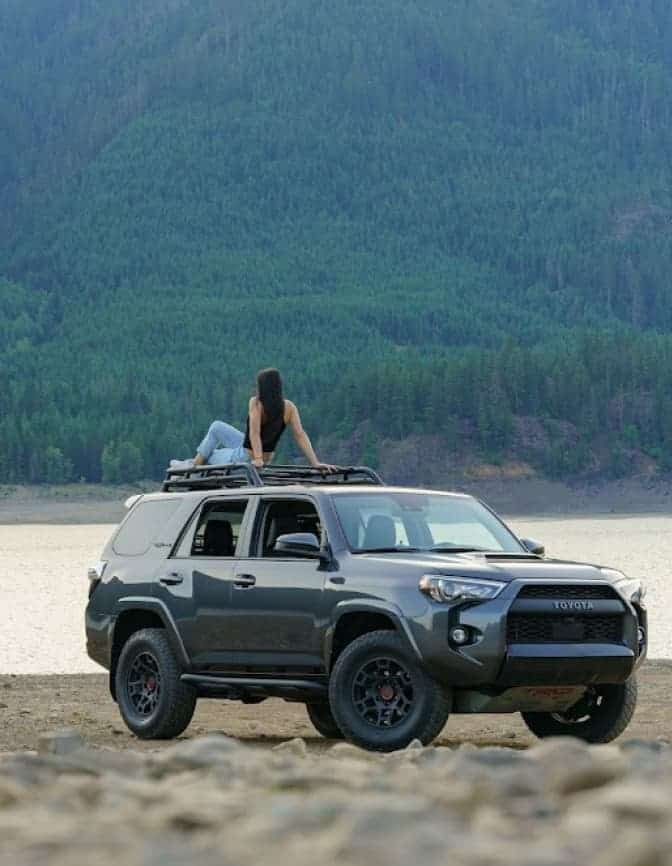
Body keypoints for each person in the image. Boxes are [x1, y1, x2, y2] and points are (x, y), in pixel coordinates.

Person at [171, 368, 335, 471]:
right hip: (255, 452)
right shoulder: (289, 407)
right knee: (216, 427)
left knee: (210, 455)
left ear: (263, 388)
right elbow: (300, 434)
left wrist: (256, 459)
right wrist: (315, 462)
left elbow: (255, 433)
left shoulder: (256, 403)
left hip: (246, 455)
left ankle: (192, 467)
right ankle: (192, 463)